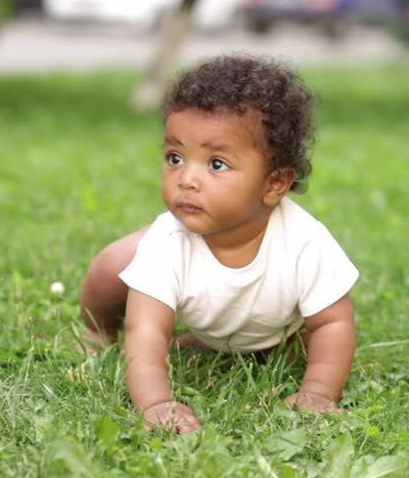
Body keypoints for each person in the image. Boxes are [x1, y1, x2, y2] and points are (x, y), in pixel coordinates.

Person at [79, 55, 359, 433]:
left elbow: (333, 323)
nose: (187, 179)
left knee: (310, 343)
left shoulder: (305, 242)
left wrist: (318, 393)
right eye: (174, 157)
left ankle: (225, 342)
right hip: (182, 289)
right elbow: (147, 331)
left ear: (275, 183)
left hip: (278, 331)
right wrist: (157, 403)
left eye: (216, 164)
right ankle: (97, 331)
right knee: (112, 265)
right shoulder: (167, 242)